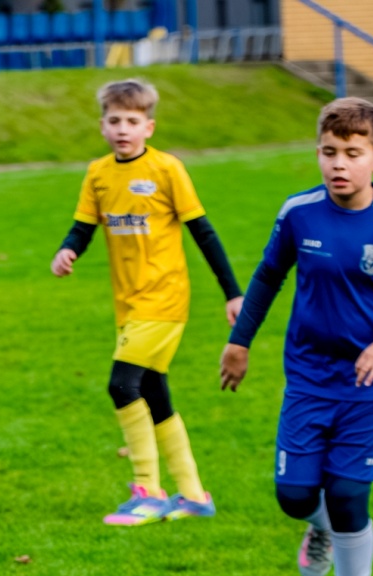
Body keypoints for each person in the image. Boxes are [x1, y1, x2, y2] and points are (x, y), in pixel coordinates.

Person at [220, 98, 373, 576]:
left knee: (347, 493)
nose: (338, 163)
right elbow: (268, 277)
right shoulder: (298, 213)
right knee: (293, 496)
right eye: (328, 151)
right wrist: (239, 343)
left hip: (370, 384)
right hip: (309, 377)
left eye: (352, 153)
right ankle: (324, 532)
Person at [51, 78, 243, 526]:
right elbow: (83, 226)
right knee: (154, 393)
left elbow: (203, 232)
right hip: (129, 303)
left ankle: (149, 492)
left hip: (166, 298)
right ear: (102, 126)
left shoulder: (167, 169)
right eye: (115, 120)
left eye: (132, 121)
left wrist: (232, 291)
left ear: (149, 127)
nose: (123, 129)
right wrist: (68, 250)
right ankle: (193, 495)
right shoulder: (98, 173)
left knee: (121, 386)